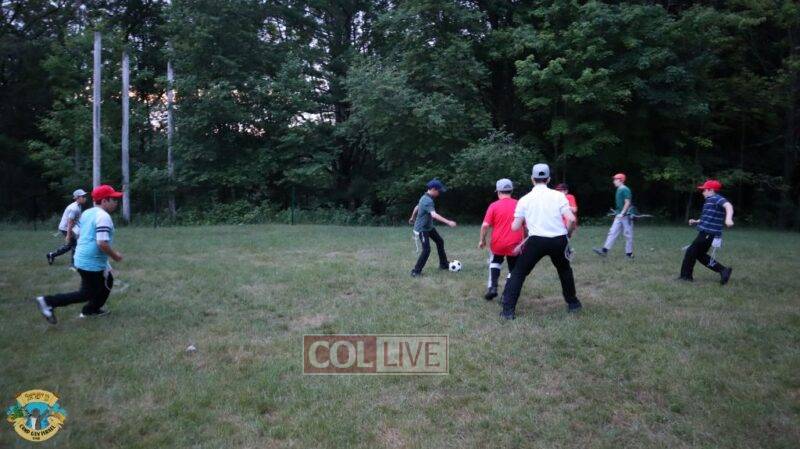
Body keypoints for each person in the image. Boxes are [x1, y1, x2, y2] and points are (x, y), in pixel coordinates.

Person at [500, 164, 581, 320]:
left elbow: (515, 227)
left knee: (518, 273)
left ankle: (508, 312)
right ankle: (573, 303)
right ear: (548, 179)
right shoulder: (559, 196)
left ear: (532, 179)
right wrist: (568, 234)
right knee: (564, 270)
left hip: (536, 242)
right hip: (558, 240)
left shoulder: (524, 199)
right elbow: (571, 219)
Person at [34, 185, 124, 324]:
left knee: (108, 280)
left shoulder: (87, 213)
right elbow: (102, 243)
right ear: (104, 201)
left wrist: (103, 261)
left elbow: (79, 233)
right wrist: (115, 256)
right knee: (86, 293)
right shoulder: (103, 217)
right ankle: (48, 301)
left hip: (81, 258)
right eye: (114, 199)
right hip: (90, 262)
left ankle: (91, 309)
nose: (116, 202)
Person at [678, 179, 734, 284]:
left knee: (691, 252)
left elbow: (728, 206)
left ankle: (685, 277)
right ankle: (723, 270)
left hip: (708, 233)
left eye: (704, 190)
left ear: (711, 190)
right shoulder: (710, 201)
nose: (702, 192)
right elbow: (708, 217)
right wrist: (696, 221)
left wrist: (728, 219)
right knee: (700, 255)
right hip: (705, 232)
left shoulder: (717, 198)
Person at [478, 179, 525, 300]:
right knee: (513, 269)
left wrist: (482, 240)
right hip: (515, 243)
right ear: (511, 191)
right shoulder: (519, 204)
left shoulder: (493, 206)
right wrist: (524, 241)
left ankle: (493, 287)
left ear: (498, 192)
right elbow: (525, 226)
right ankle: (506, 294)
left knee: (495, 261)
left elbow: (485, 225)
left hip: (498, 243)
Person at [409, 179, 456, 277]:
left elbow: (417, 207)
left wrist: (412, 217)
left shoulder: (425, 197)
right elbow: (434, 215)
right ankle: (415, 271)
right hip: (422, 229)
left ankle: (443, 264)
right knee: (426, 250)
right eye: (439, 191)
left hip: (428, 227)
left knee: (440, 241)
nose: (439, 193)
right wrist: (448, 222)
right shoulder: (428, 200)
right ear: (433, 189)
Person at [593, 173, 635, 259]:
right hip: (619, 215)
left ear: (621, 180)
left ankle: (629, 254)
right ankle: (604, 251)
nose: (614, 181)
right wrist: (618, 213)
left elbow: (627, 202)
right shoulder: (619, 189)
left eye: (615, 179)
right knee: (612, 232)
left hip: (626, 215)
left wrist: (622, 213)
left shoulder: (625, 189)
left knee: (628, 235)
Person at [47, 189, 88, 267]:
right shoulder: (74, 208)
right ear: (77, 198)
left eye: (85, 196)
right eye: (83, 196)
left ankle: (51, 255)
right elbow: (70, 222)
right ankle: (73, 265)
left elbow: (76, 221)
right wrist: (68, 235)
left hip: (69, 227)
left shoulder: (78, 206)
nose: (85, 198)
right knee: (74, 244)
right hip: (66, 228)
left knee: (70, 245)